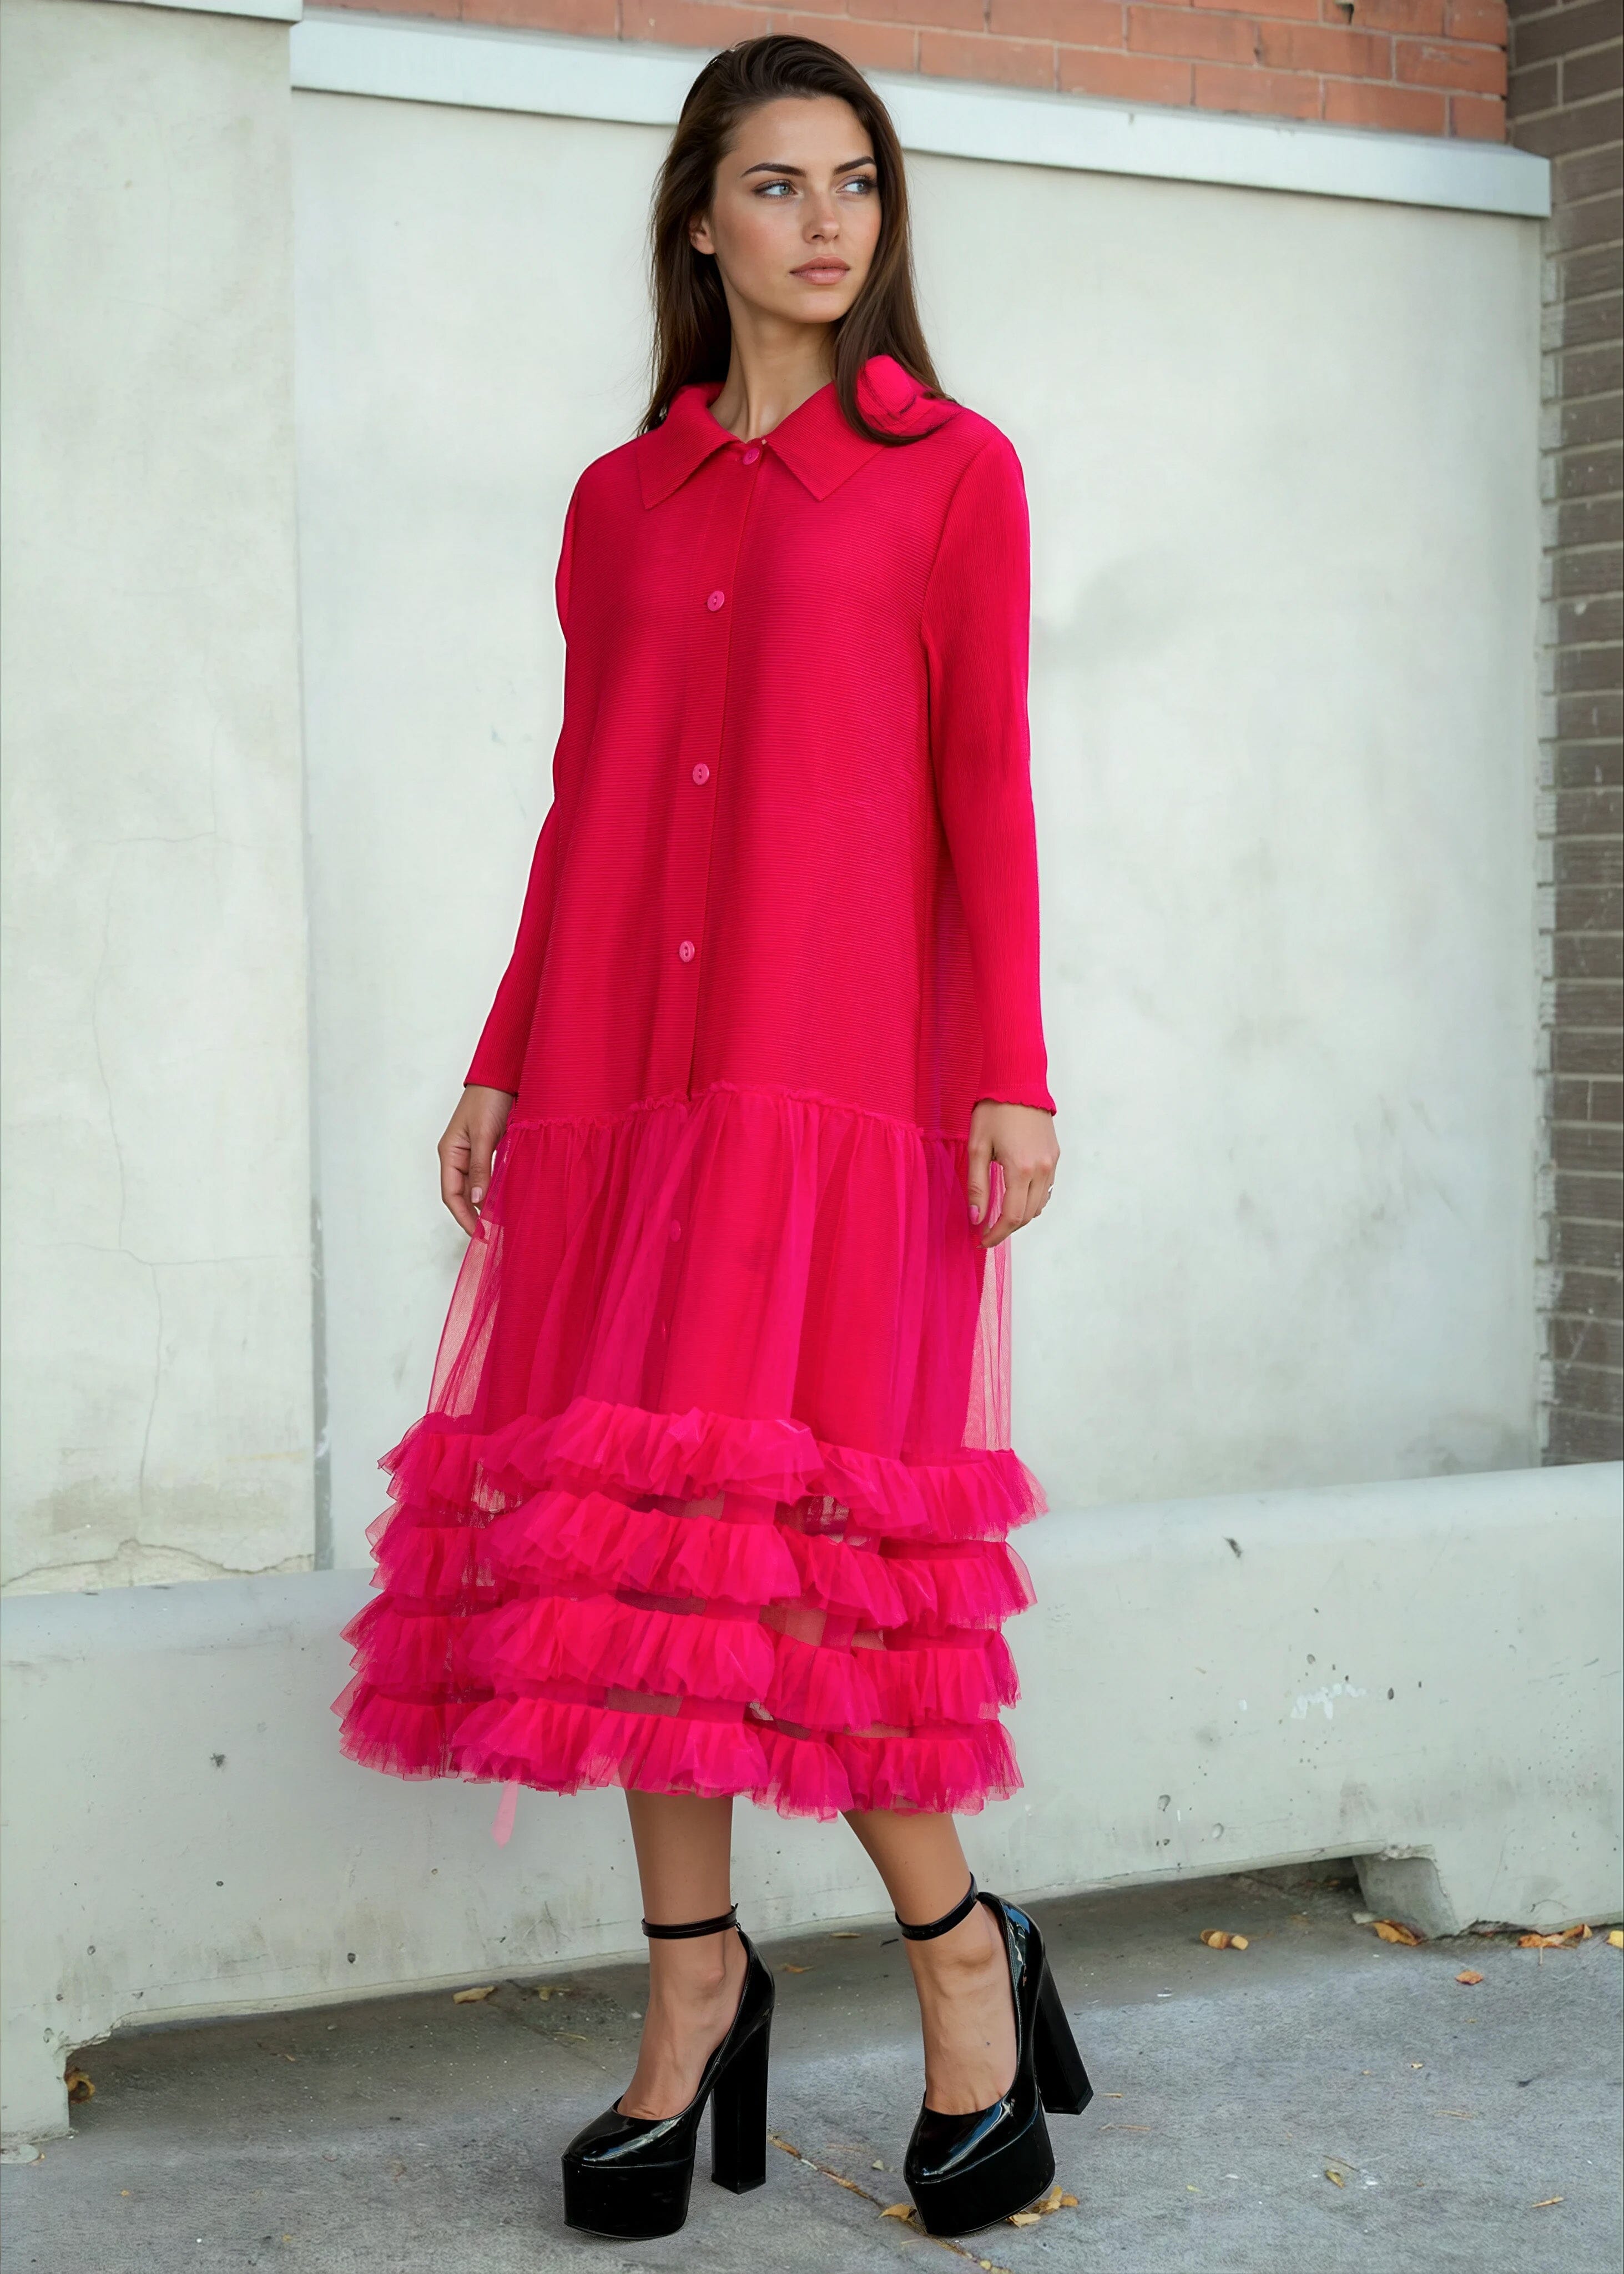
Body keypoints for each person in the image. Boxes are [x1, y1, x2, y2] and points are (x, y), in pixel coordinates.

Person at [334, 32, 1090, 2242]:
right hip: (621, 1080)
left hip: (839, 1091)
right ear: (700, 219)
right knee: (639, 1561)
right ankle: (694, 1994)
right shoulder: (620, 502)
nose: (826, 223)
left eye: (856, 182)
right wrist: (503, 1054)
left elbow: (986, 783)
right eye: (777, 184)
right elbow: (586, 795)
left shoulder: (952, 472)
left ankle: (964, 1961)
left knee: (818, 1567)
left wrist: (1014, 1066)